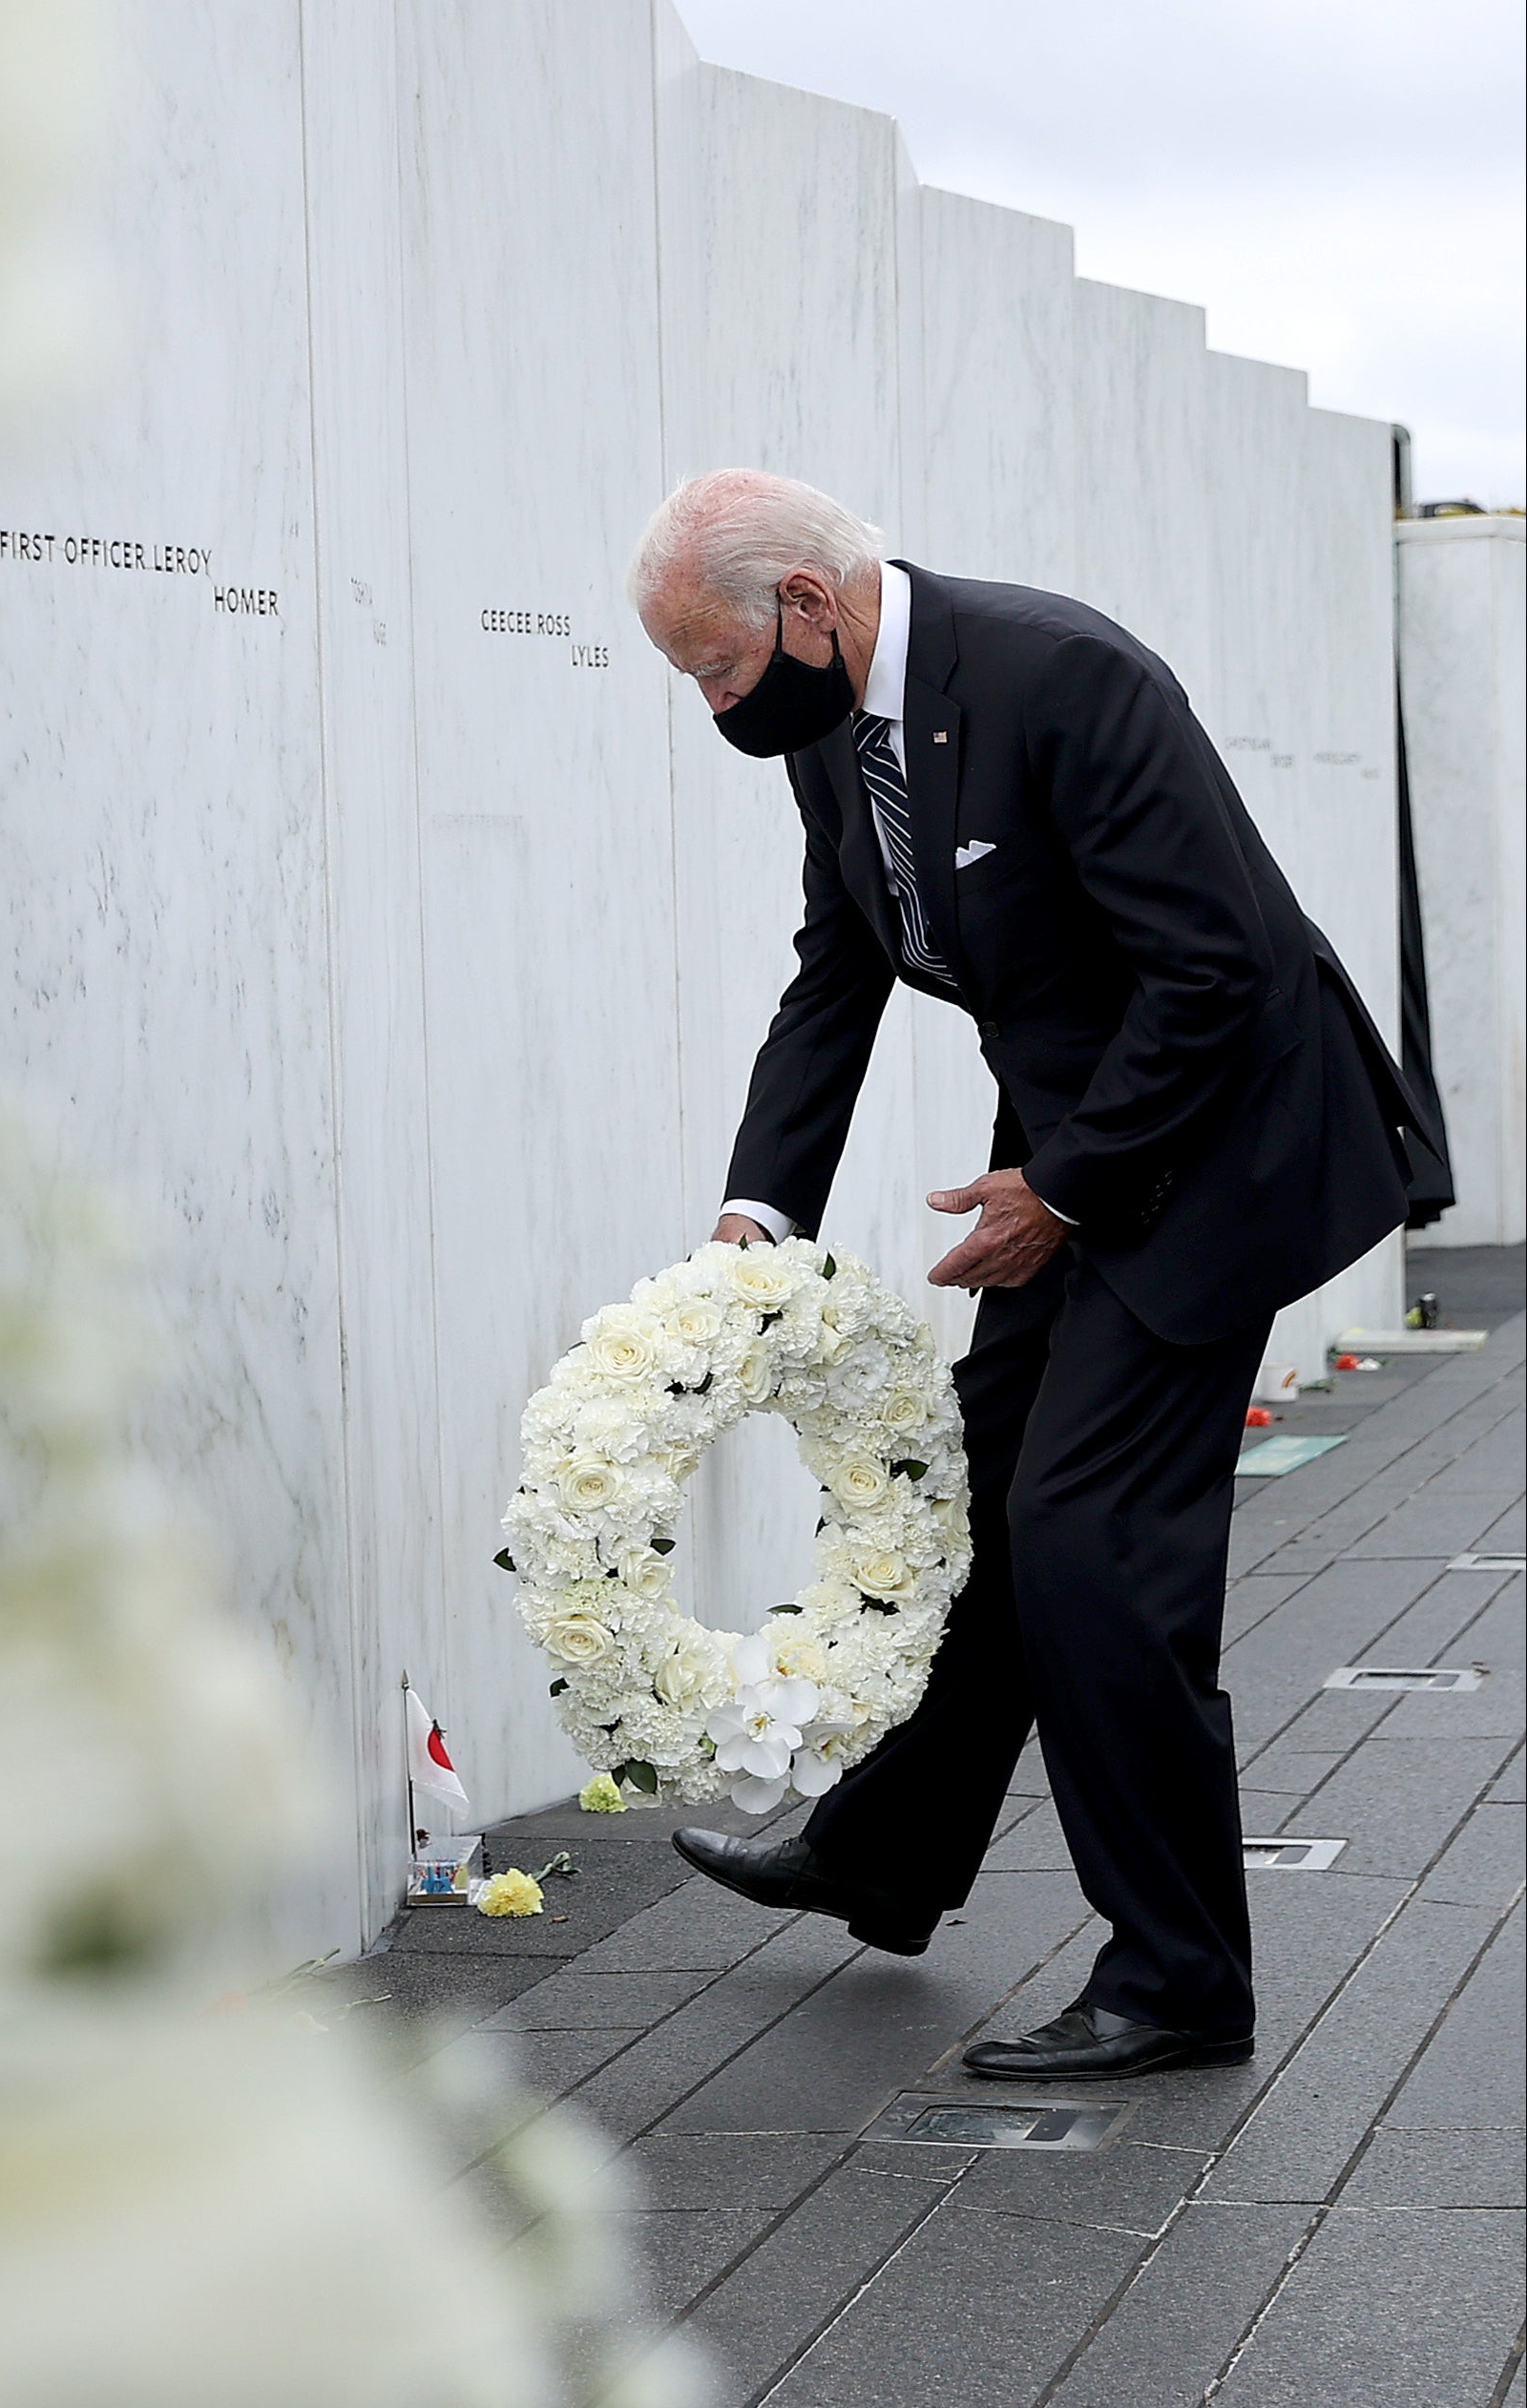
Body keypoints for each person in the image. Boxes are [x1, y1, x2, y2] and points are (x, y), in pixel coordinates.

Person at [631, 468, 1430, 2082]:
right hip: (1073, 1151)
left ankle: (1180, 1980)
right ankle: (886, 1853)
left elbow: (1222, 965)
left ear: (807, 603)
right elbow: (836, 974)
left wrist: (1062, 1189)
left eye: (716, 668)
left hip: (1217, 1142)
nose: (716, 704)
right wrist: (754, 1218)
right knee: (983, 1488)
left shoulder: (1064, 675)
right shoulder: (832, 734)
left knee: (1091, 1539)